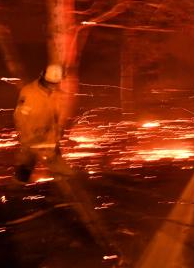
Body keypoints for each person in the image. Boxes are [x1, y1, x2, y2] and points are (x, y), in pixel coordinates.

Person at [13, 64, 119, 257]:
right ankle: (16, 200)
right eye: (50, 83)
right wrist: (32, 141)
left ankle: (70, 196)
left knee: (66, 176)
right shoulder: (28, 92)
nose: (53, 86)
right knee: (23, 170)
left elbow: (55, 118)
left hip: (49, 142)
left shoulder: (57, 94)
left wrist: (54, 138)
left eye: (55, 83)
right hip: (32, 142)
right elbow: (20, 118)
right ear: (43, 77)